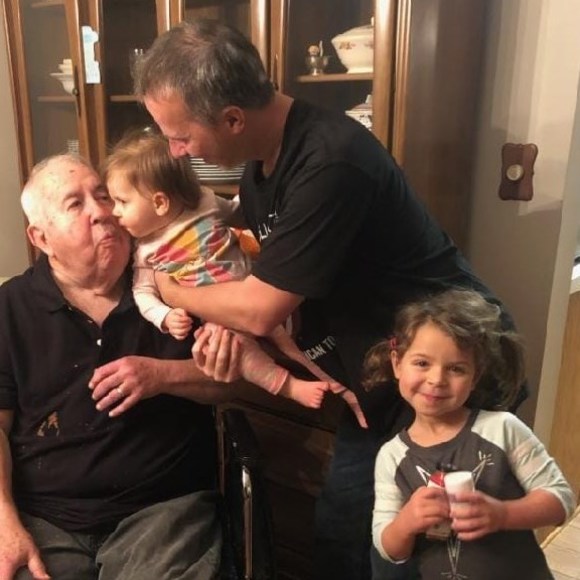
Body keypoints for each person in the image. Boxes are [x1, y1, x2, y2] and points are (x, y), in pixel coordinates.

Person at [134, 20, 528, 580]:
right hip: (382, 374)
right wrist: (233, 330)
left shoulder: (330, 160)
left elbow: (260, 306)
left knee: (431, 551)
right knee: (343, 536)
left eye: (179, 136)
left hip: (455, 366)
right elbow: (278, 281)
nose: (176, 152)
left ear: (233, 119)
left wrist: (169, 288)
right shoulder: (260, 171)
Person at [0, 153, 241, 580]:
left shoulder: (176, 278)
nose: (101, 212)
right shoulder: (9, 308)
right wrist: (5, 522)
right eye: (75, 204)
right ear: (40, 237)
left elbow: (233, 382)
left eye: (103, 195)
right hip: (45, 516)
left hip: (162, 510)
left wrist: (160, 375)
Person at [103, 129, 366, 418]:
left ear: (160, 203)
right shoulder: (145, 252)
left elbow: (242, 214)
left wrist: (262, 205)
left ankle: (346, 392)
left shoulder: (204, 202)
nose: (114, 212)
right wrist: (164, 316)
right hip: (222, 320)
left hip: (259, 291)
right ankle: (289, 386)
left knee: (300, 348)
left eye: (121, 202)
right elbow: (142, 292)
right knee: (236, 352)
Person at [364, 289, 574, 579]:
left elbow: (561, 500)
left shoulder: (501, 428)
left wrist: (503, 514)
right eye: (422, 363)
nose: (437, 379)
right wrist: (406, 522)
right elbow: (389, 549)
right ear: (397, 363)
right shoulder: (392, 456)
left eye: (456, 369)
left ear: (475, 376)